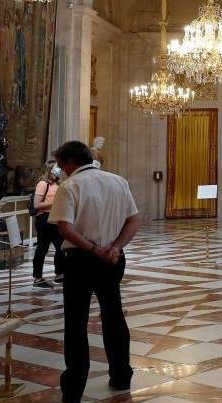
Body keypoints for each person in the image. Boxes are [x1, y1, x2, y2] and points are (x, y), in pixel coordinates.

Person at [48, 140, 141, 402]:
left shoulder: (69, 186)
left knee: (76, 322)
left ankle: (75, 384)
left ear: (69, 162)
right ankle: (121, 375)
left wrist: (93, 249)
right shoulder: (118, 181)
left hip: (81, 260)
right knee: (113, 315)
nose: (60, 170)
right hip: (113, 259)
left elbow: (65, 229)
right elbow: (135, 219)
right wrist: (116, 247)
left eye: (60, 164)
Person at [32, 162, 65, 288]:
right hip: (44, 218)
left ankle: (60, 274)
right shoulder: (43, 184)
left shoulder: (59, 184)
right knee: (42, 248)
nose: (58, 170)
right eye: (56, 167)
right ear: (49, 170)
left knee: (61, 247)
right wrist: (55, 202)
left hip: (57, 218)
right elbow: (37, 205)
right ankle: (37, 277)